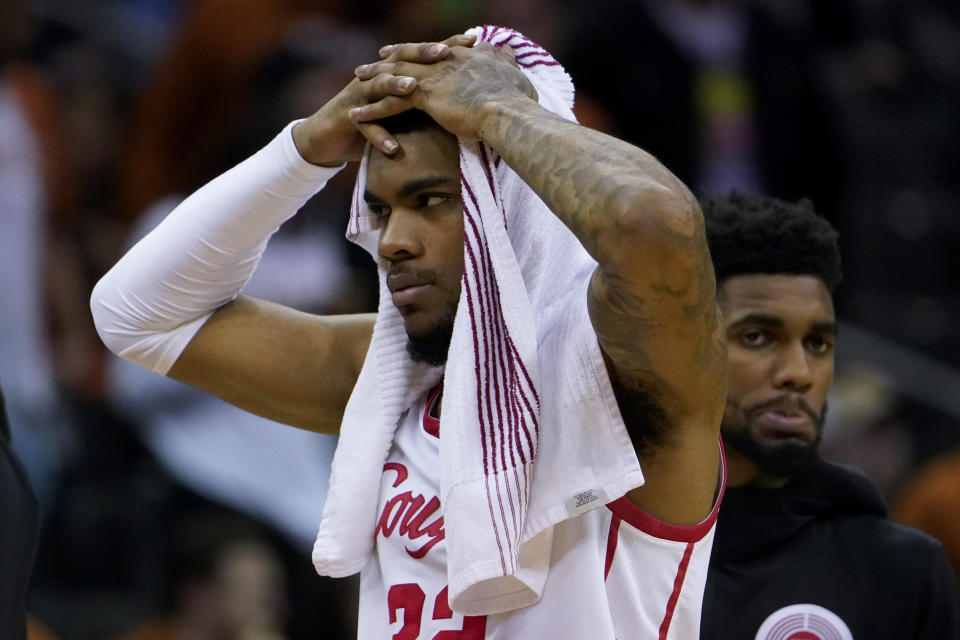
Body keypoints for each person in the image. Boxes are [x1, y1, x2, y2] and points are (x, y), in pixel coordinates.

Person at [92, 27, 726, 638]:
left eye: (431, 201)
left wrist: (499, 110)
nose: (391, 241)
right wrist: (308, 146)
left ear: (509, 205)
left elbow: (654, 226)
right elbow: (135, 313)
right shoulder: (387, 378)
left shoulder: (622, 373)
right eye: (379, 209)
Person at [698, 190, 960, 639]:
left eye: (818, 344)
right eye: (758, 336)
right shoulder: (609, 548)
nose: (799, 374)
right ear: (688, 344)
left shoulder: (900, 568)